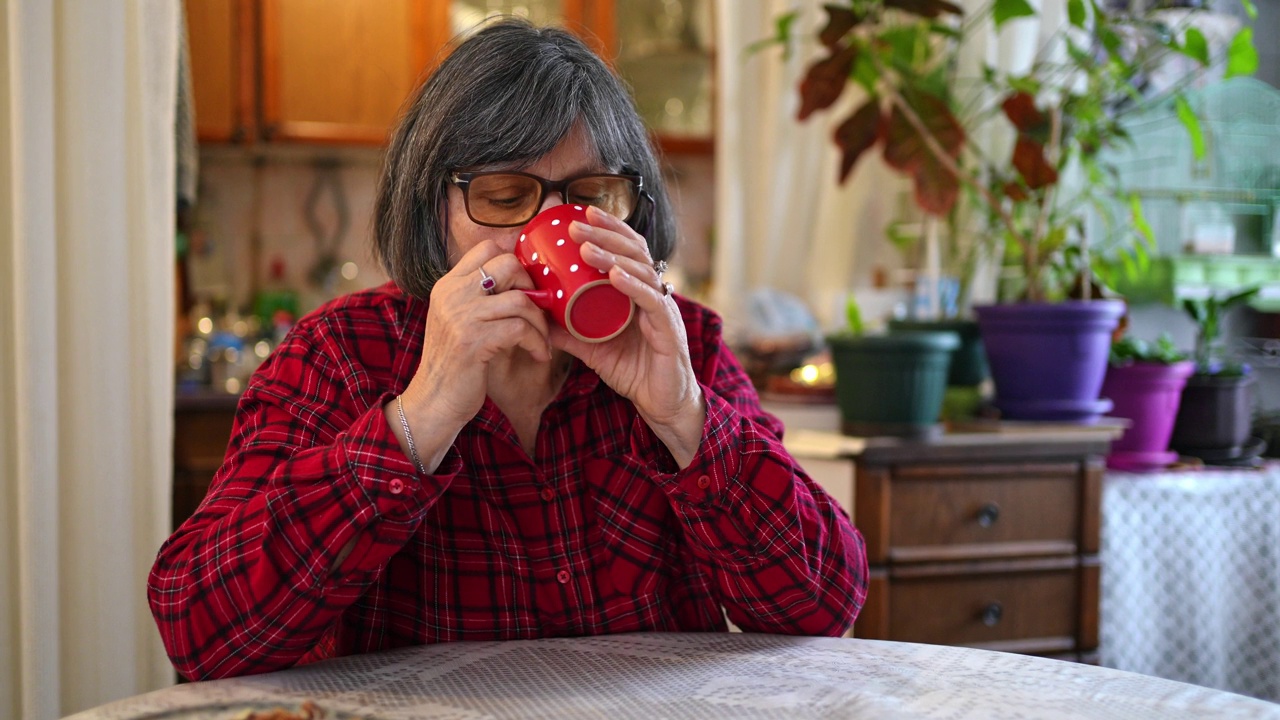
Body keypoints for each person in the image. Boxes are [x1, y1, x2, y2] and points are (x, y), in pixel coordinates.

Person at [148, 18, 868, 681]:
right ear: (436, 208)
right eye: (501, 195)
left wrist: (685, 419)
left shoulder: (685, 347)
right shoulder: (343, 354)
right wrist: (418, 421)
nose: (550, 228)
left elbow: (825, 609)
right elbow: (199, 631)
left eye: (591, 193)